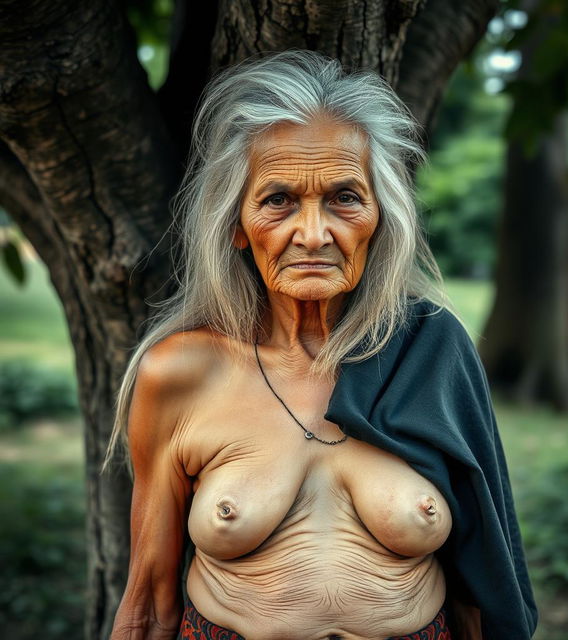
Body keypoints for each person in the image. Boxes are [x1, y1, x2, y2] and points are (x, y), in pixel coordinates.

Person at [106, 51, 537, 640]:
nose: (313, 235)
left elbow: (479, 584)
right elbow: (148, 604)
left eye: (344, 197)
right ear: (236, 223)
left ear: (379, 216)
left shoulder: (432, 352)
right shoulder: (180, 374)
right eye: (278, 200)